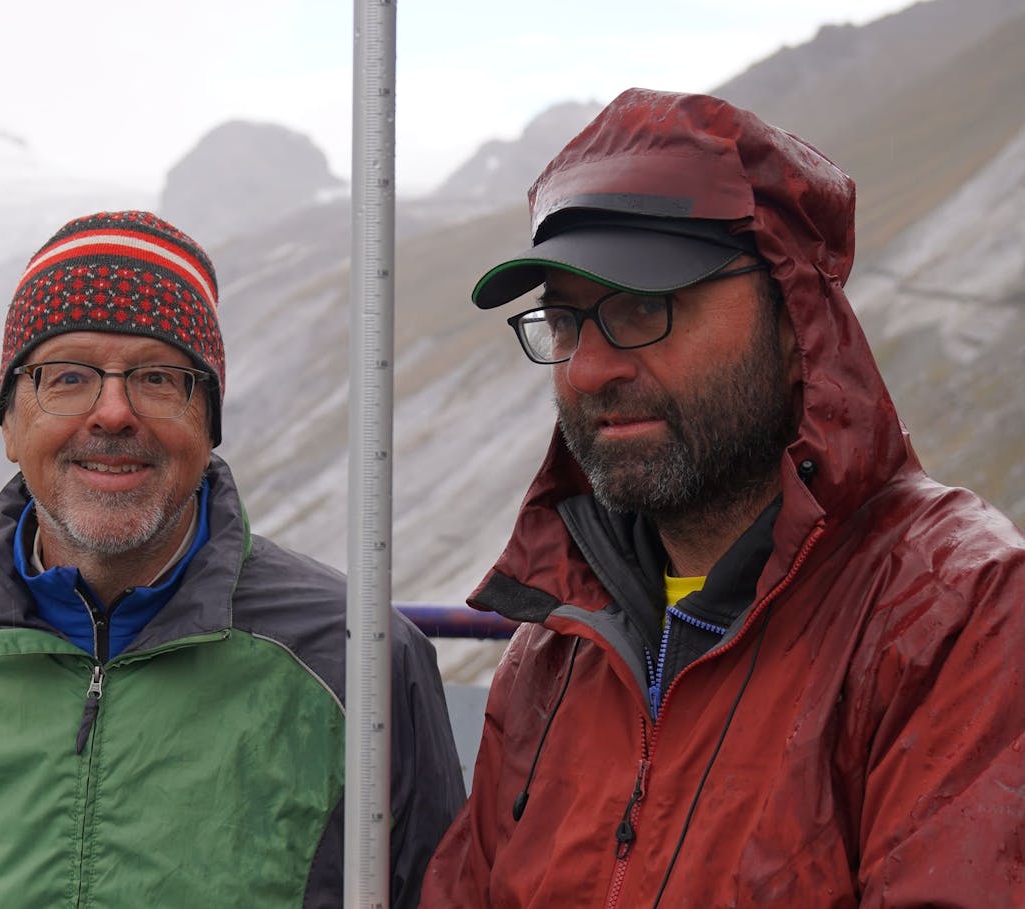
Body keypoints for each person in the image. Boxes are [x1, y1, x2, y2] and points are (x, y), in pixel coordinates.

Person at [420, 89, 1025, 907]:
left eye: (643, 307)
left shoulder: (953, 613)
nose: (590, 370)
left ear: (793, 321)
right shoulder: (553, 652)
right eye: (565, 322)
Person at [0, 210, 464, 908]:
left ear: (207, 423)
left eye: (157, 378)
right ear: (10, 422)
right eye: (67, 377)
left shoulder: (358, 659)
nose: (114, 413)